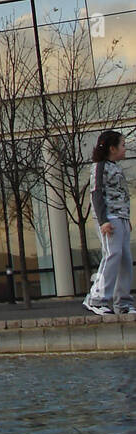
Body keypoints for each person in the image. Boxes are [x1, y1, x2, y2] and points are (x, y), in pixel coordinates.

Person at [83, 130, 133, 316]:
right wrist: (103, 220)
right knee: (112, 254)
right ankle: (96, 298)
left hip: (121, 218)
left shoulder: (115, 167)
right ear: (112, 148)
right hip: (109, 218)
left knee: (125, 259)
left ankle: (123, 303)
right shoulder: (100, 166)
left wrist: (126, 219)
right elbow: (96, 193)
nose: (125, 148)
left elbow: (122, 195)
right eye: (122, 145)